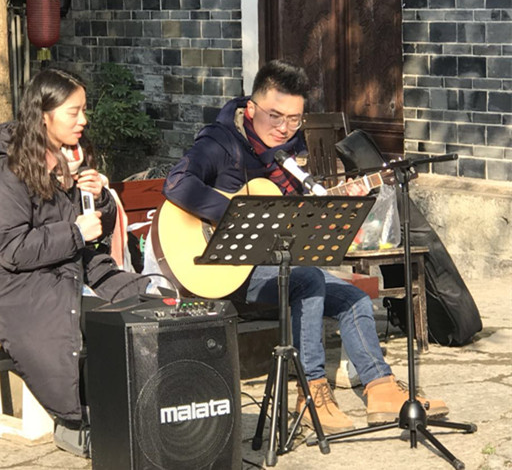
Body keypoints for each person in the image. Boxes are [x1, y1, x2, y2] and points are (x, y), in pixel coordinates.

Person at [161, 59, 449, 434]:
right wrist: (239, 214)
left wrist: (333, 207)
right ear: (252, 109)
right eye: (275, 116)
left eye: (294, 119)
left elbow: (296, 215)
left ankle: (381, 389)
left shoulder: (289, 149)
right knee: (308, 279)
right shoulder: (220, 142)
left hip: (273, 263)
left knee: (353, 298)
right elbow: (178, 184)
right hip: (221, 270)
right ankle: (311, 393)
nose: (284, 128)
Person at [0, 68, 148, 456]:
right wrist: (75, 233)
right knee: (102, 320)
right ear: (44, 116)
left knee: (151, 301)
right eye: (74, 111)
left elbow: (92, 233)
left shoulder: (62, 164)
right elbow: (12, 249)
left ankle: (144, 410)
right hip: (20, 286)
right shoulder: (4, 176)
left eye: (84, 110)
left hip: (70, 270)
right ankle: (77, 421)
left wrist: (99, 199)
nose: (83, 120)